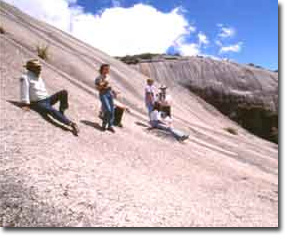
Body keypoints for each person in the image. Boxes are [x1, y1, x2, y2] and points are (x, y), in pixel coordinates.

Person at [20, 59, 79, 135]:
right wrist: (25, 104)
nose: (40, 69)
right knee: (52, 111)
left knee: (64, 92)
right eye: (37, 67)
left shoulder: (37, 75)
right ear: (31, 68)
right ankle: (71, 124)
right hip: (38, 103)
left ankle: (61, 112)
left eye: (39, 67)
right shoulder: (25, 77)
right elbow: (24, 90)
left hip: (47, 99)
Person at [95, 64, 126, 132]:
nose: (107, 70)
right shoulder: (98, 78)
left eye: (108, 69)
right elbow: (98, 88)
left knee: (112, 110)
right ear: (102, 70)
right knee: (108, 110)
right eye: (105, 69)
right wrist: (104, 84)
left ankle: (110, 126)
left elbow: (110, 87)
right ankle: (104, 125)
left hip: (109, 94)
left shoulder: (108, 77)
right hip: (103, 94)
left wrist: (114, 92)